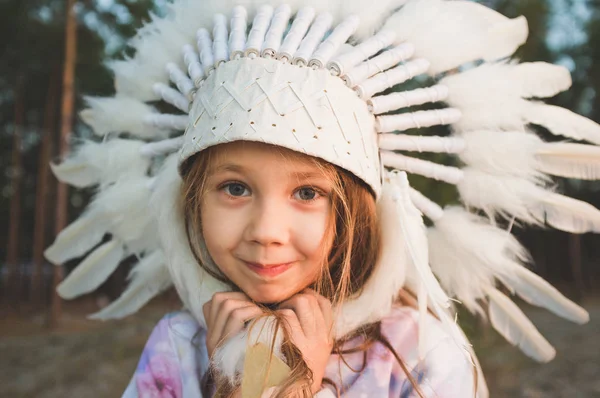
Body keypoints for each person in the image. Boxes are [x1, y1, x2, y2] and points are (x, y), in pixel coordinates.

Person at [45, 1, 598, 397]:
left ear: (356, 215)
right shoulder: (177, 349)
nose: (266, 228)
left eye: (307, 192)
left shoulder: (419, 357)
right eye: (234, 188)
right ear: (190, 201)